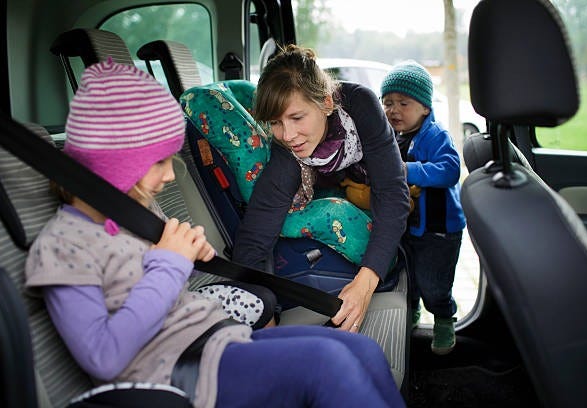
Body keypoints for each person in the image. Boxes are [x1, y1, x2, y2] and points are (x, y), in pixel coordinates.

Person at [25, 59, 405, 408]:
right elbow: (104, 356)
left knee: (362, 350)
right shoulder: (63, 245)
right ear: (116, 164)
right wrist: (171, 263)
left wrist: (191, 265)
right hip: (177, 369)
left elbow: (393, 191)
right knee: (330, 363)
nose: (171, 175)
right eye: (159, 162)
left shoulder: (134, 212)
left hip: (211, 336)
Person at [232, 44, 410, 332]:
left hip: (372, 184)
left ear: (326, 104)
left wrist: (364, 285)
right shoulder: (287, 149)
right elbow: (257, 228)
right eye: (276, 123)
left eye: (297, 118)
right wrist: (260, 310)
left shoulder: (361, 107)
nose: (288, 135)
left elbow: (391, 193)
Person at [380, 60, 466, 355]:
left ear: (425, 108)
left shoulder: (435, 136)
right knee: (409, 277)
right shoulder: (390, 138)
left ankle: (443, 318)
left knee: (434, 283)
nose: (394, 110)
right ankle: (412, 312)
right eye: (388, 102)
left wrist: (409, 170)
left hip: (439, 230)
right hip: (409, 226)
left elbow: (450, 170)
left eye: (404, 103)